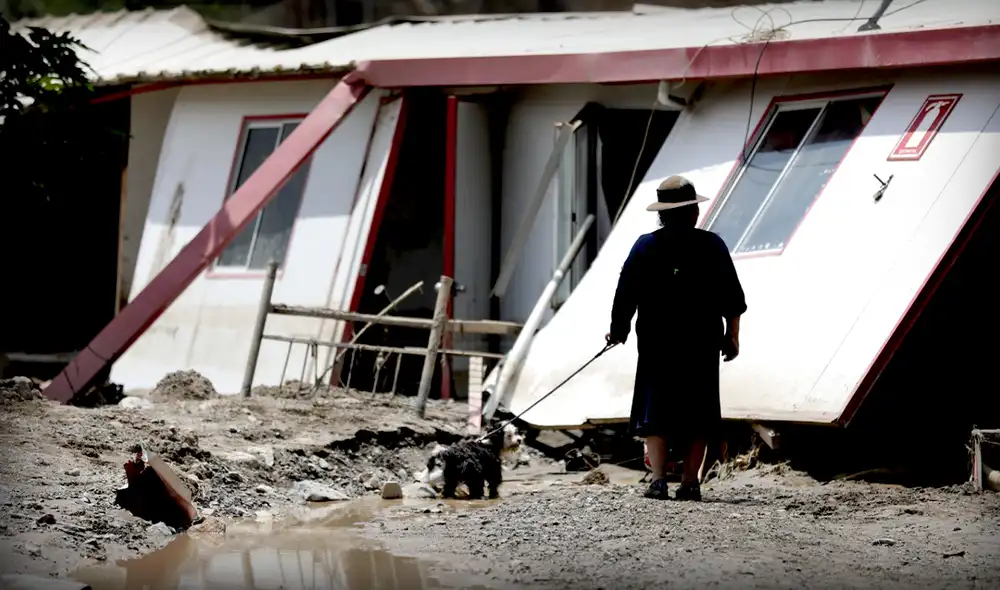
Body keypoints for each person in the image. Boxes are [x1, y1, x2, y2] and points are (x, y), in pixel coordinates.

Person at [606, 176, 747, 501]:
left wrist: (619, 330)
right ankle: (690, 482)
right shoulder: (712, 245)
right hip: (701, 344)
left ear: (662, 214)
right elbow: (733, 299)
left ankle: (657, 480)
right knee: (699, 411)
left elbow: (625, 293)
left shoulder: (645, 246)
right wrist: (732, 337)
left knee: (656, 411)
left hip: (657, 346)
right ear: (694, 212)